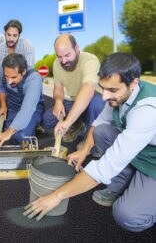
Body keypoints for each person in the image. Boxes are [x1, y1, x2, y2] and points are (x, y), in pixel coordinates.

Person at [24, 53, 156, 232]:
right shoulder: (120, 94)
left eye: (113, 90)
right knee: (102, 132)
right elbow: (99, 122)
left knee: (127, 216)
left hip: (153, 164)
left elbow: (105, 167)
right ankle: (121, 186)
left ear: (133, 83)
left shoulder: (147, 111)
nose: (104, 97)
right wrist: (84, 150)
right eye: (103, 88)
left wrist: (56, 196)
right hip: (141, 150)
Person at [42, 34, 105, 144]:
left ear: (76, 48)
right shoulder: (57, 64)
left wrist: (66, 123)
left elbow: (88, 90)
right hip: (73, 101)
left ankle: (91, 140)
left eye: (67, 55)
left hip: (93, 100)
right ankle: (78, 124)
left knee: (95, 104)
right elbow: (58, 88)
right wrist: (58, 101)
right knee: (47, 120)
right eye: (59, 56)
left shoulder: (90, 60)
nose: (63, 61)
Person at [0, 53, 44, 149]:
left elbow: (27, 110)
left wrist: (8, 132)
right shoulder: (3, 69)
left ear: (24, 72)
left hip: (31, 110)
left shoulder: (34, 79)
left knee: (20, 137)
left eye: (13, 77)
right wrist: (3, 105)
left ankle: (33, 126)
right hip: (12, 107)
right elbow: (1, 87)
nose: (9, 82)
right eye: (7, 77)